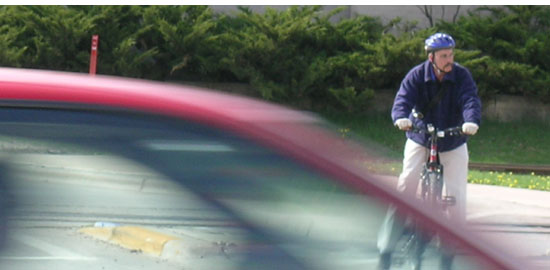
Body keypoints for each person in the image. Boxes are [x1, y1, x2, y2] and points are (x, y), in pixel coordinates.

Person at [376, 32, 482, 270]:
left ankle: (448, 254)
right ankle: (386, 248)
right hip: (420, 138)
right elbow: (402, 100)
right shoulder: (416, 76)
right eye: (444, 55)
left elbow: (470, 100)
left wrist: (471, 120)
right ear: (431, 57)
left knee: (456, 198)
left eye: (451, 54)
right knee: (405, 187)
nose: (449, 60)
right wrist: (401, 118)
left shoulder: (462, 76)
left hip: (453, 140)